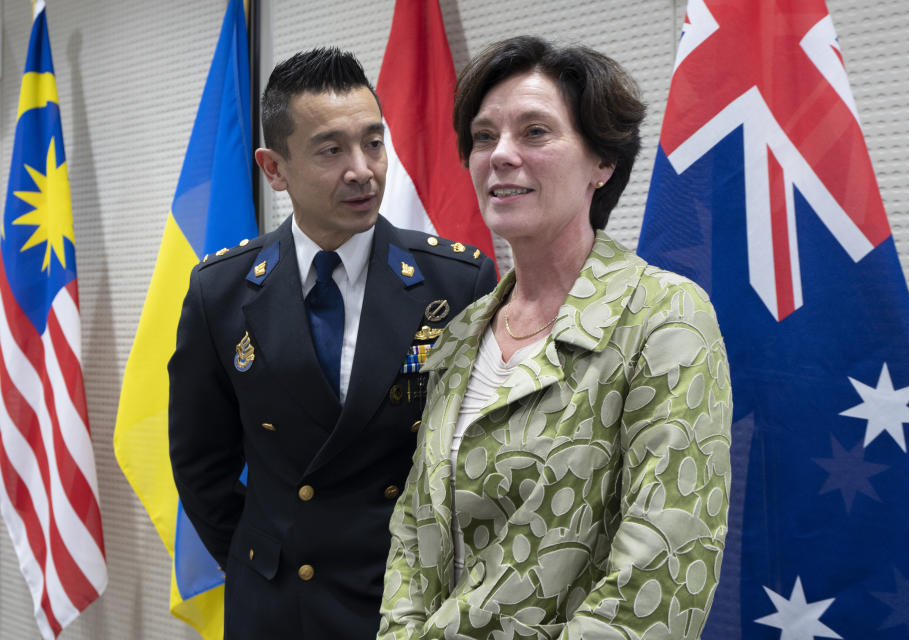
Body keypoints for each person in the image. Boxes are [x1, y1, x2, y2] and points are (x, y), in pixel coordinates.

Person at [379, 36, 732, 639]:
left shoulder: (663, 316)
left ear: (603, 162)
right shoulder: (463, 333)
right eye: (485, 137)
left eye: (535, 132)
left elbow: (664, 572)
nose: (500, 156)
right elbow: (412, 535)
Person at [168, 48, 497, 639]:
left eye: (373, 143)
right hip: (277, 603)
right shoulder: (220, 292)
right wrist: (264, 556)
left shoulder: (456, 282)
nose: (362, 170)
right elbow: (199, 463)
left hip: (404, 599)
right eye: (331, 150)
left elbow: (478, 458)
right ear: (275, 169)